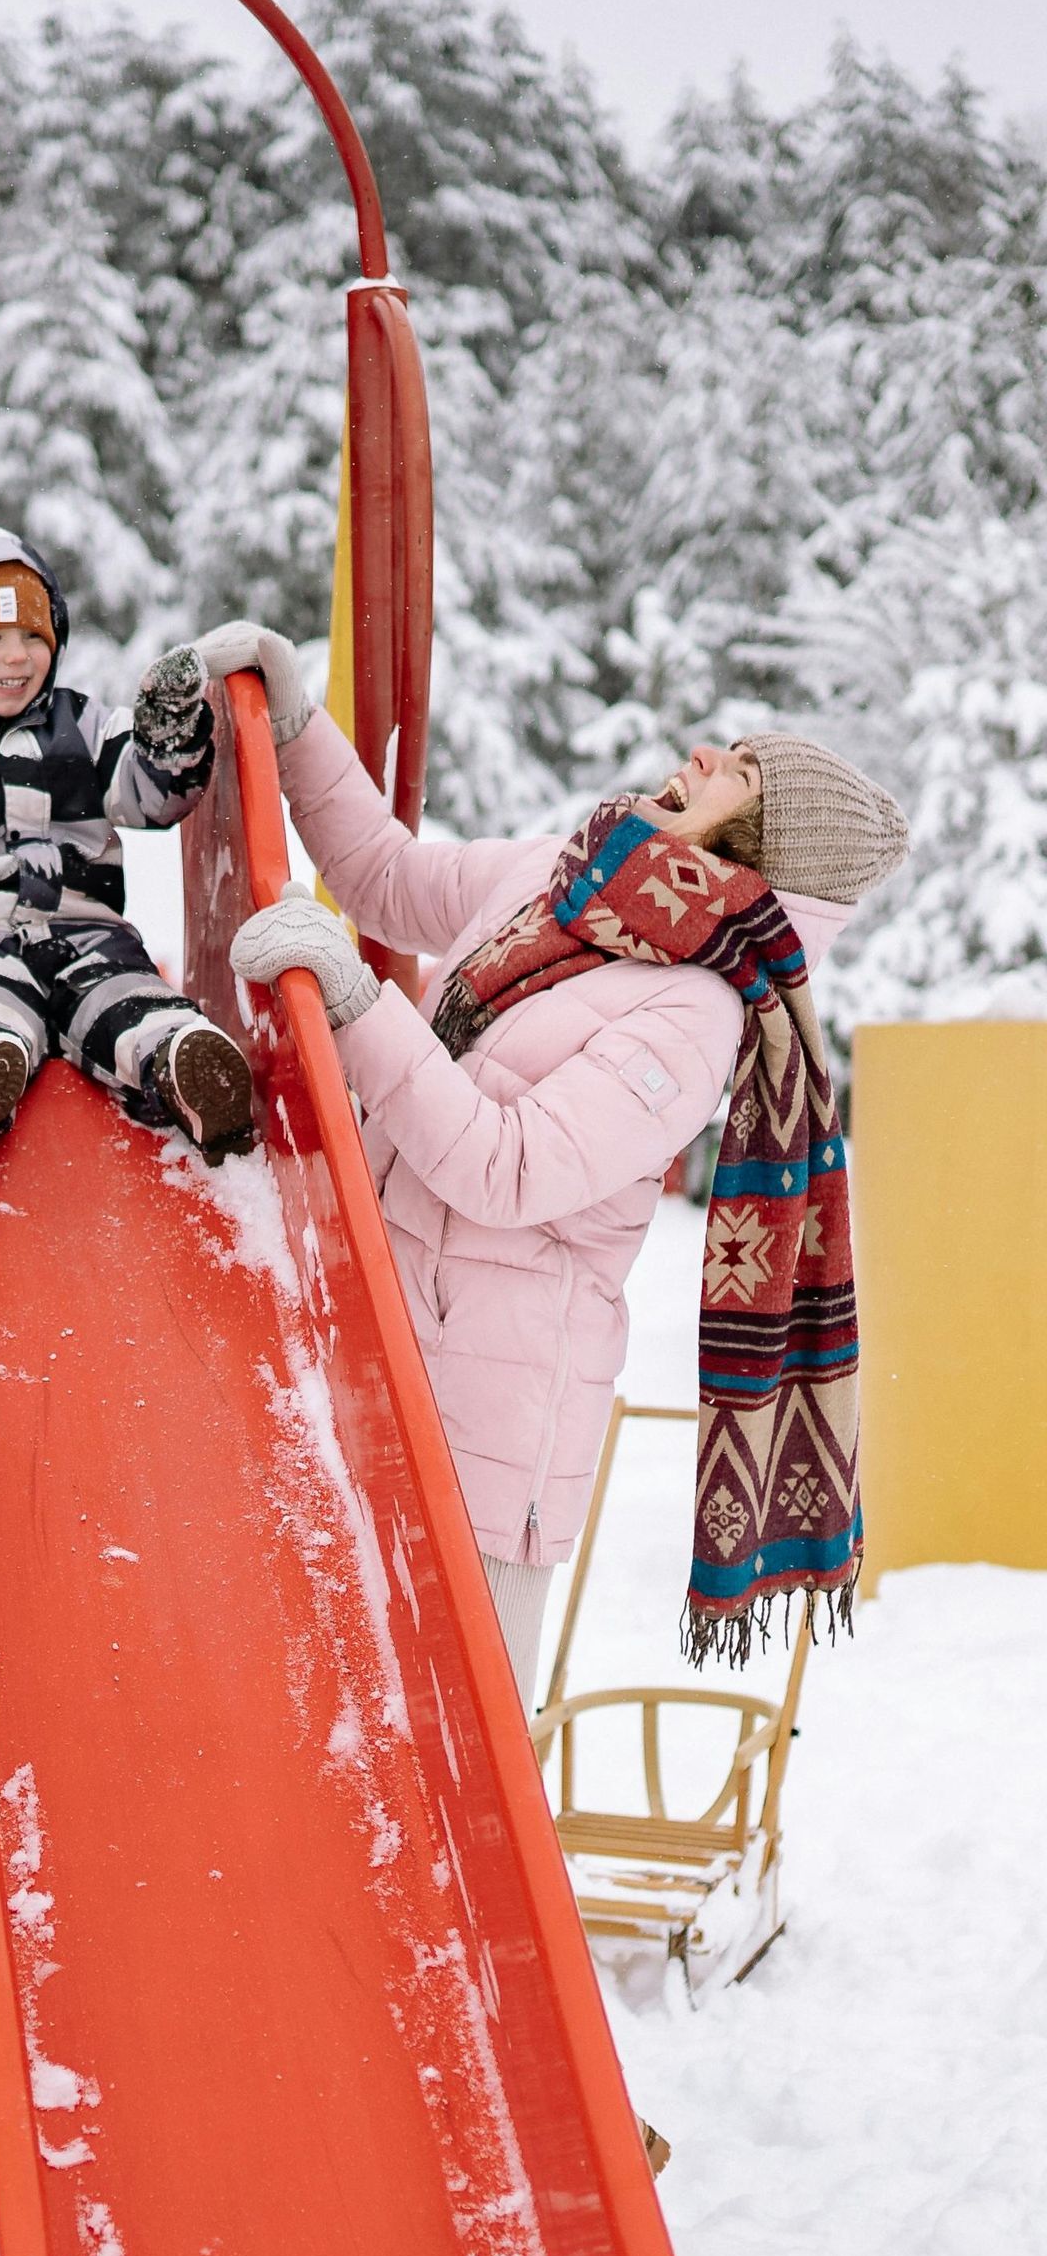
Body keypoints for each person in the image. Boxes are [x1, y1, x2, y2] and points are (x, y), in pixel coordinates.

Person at [209, 621, 909, 1706]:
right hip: (379, 1345)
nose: (711, 754)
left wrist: (353, 999)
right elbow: (388, 876)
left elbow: (507, 1168)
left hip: (489, 1440)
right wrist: (296, 725)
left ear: (765, 843)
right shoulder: (571, 876)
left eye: (748, 769)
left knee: (450, 1768)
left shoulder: (693, 1014)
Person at [0, 519, 255, 1179]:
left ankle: (187, 1065)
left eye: (31, 637)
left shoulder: (83, 726)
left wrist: (165, 739)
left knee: (129, 1002)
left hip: (90, 939)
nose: (17, 656)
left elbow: (152, 796)